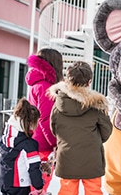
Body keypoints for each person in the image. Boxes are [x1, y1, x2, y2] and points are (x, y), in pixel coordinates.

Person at [48, 61, 112, 195]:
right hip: (91, 158)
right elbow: (106, 131)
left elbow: (54, 128)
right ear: (89, 82)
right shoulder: (97, 105)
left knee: (67, 190)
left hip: (66, 156)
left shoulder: (58, 104)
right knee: (93, 190)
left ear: (67, 80)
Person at [25, 47, 64, 192]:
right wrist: (55, 142)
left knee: (33, 184)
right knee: (40, 185)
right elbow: (46, 118)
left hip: (34, 140)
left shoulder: (36, 84)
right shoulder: (45, 87)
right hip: (44, 145)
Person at [0, 97, 44, 195]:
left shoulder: (4, 139)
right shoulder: (29, 145)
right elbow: (33, 168)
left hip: (4, 182)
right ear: (30, 123)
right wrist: (38, 186)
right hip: (20, 186)